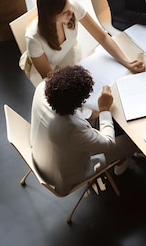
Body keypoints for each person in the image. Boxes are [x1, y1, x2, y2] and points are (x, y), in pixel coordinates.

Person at [30, 65, 137, 196]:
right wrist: (104, 109)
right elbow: (108, 143)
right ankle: (122, 160)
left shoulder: (42, 87)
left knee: (93, 121)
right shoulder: (73, 127)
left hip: (41, 152)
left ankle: (120, 158)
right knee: (132, 142)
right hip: (62, 176)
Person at [25, 0, 144, 85]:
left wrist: (126, 62)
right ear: (50, 16)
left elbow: (101, 36)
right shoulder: (34, 39)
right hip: (52, 73)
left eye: (69, 7)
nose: (71, 12)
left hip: (71, 57)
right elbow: (50, 78)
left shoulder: (70, 6)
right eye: (64, 12)